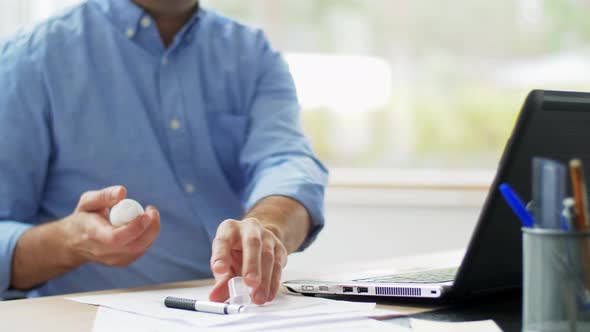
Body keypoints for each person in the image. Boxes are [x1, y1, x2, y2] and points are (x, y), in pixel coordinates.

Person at [0, 0, 328, 305]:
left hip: (241, 312)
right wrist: (69, 241)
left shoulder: (253, 53)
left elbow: (288, 164)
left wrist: (266, 227)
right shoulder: (31, 60)